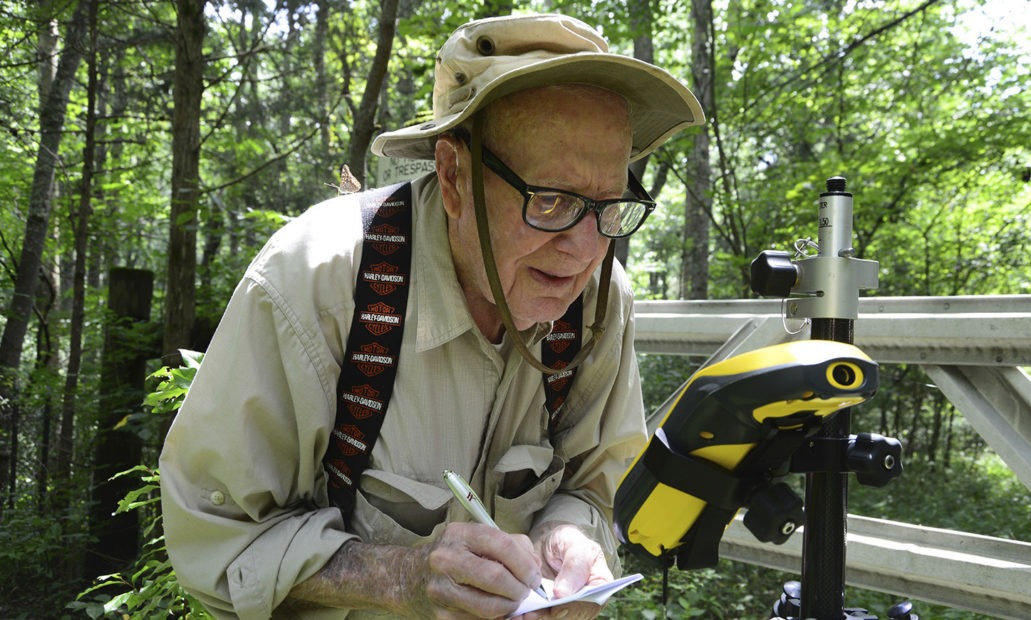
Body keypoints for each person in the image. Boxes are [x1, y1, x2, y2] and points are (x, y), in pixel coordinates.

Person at [159, 13, 703, 620]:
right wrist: (399, 576)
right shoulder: (321, 281)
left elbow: (597, 488)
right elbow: (219, 539)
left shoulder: (600, 299)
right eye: (551, 200)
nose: (584, 250)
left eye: (608, 206)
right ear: (453, 177)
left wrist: (569, 537)